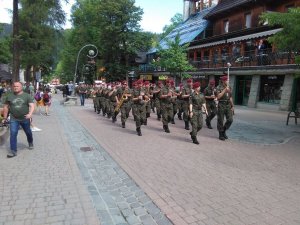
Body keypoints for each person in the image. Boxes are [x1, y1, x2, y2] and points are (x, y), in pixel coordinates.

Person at [1, 82, 35, 158]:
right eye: (14, 86)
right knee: (13, 133)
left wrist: (30, 114)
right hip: (14, 118)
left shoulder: (27, 96)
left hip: (25, 118)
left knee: (28, 132)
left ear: (21, 87)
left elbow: (32, 106)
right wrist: (5, 118)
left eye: (17, 86)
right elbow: (6, 107)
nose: (15, 87)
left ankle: (30, 142)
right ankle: (13, 151)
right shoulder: (9, 96)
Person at [216, 74, 234, 141]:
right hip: (221, 104)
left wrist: (232, 106)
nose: (227, 81)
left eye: (228, 80)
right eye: (226, 80)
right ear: (223, 81)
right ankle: (221, 134)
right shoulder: (218, 87)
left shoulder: (229, 87)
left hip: (228, 104)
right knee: (220, 120)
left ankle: (224, 130)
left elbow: (230, 97)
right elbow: (218, 97)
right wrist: (224, 90)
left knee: (230, 119)